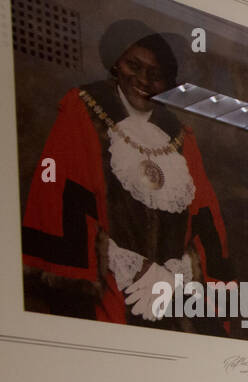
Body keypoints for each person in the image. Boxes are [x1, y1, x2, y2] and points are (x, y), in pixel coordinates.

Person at [21, 19, 235, 334]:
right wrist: (130, 267)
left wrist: (173, 277)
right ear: (117, 63)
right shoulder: (82, 111)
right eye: (134, 65)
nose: (143, 80)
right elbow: (59, 204)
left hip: (171, 300)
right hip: (107, 298)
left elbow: (207, 223)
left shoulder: (181, 136)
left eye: (156, 74)